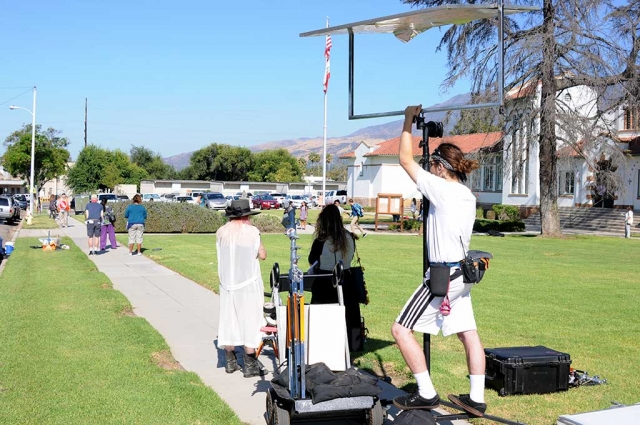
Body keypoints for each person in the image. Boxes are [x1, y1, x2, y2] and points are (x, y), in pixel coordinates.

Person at [391, 105, 485, 417]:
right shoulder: (467, 195)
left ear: (441, 168)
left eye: (432, 166)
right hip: (462, 275)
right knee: (468, 334)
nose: (429, 171)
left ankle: (426, 392)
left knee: (401, 330)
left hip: (442, 277)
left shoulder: (441, 189)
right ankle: (476, 398)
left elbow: (404, 159)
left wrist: (407, 120)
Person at [217, 199, 268, 377]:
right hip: (247, 283)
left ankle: (230, 361)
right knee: (250, 321)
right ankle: (250, 364)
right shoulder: (252, 232)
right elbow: (262, 255)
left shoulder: (221, 232)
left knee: (229, 321)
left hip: (227, 284)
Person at [308, 204, 363, 352]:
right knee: (347, 314)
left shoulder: (321, 240)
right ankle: (349, 345)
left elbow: (312, 259)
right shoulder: (350, 237)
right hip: (347, 278)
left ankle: (324, 344)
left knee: (323, 315)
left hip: (325, 280)